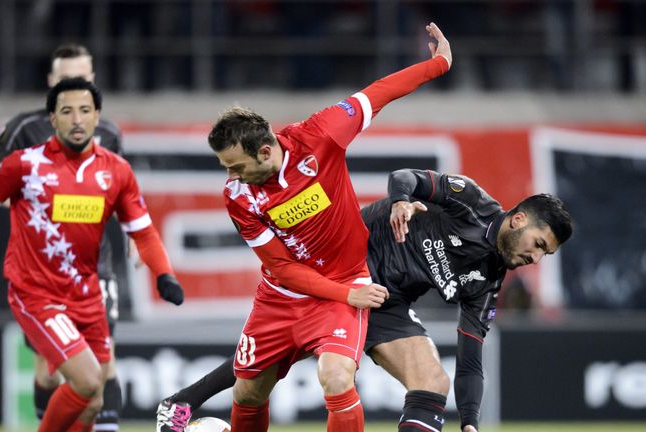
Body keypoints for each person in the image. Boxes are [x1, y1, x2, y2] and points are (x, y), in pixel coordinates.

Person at [156, 21, 453, 432]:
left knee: (335, 377)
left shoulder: (322, 136)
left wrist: (438, 64)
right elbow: (282, 268)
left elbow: (377, 94)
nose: (233, 177)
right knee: (247, 393)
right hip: (284, 295)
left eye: (238, 167)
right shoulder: (238, 197)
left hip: (341, 286)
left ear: (265, 150)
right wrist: (348, 293)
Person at [157, 168, 573, 432]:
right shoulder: (472, 202)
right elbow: (406, 178)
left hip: (384, 303)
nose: (534, 259)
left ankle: (182, 403)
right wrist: (401, 202)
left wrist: (470, 423)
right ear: (518, 220)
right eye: (537, 244)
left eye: (545, 255)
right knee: (261, 378)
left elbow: (470, 359)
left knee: (433, 382)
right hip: (344, 271)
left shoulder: (488, 279)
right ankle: (180, 404)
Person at [0, 78, 185, 431]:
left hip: (87, 295)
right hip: (36, 294)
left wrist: (164, 275)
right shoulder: (24, 165)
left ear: (98, 116)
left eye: (85, 111)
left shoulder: (116, 171)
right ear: (52, 119)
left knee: (94, 399)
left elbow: (142, 230)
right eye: (67, 111)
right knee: (86, 381)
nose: (77, 119)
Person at [0, 43, 131, 431]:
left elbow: (121, 196)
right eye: (66, 80)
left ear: (93, 81)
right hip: (43, 275)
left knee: (104, 361)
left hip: (95, 271)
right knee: (49, 371)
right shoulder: (23, 129)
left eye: (82, 79)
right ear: (51, 83)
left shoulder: (108, 133)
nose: (76, 87)